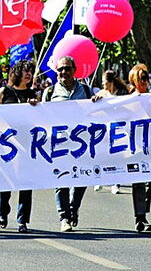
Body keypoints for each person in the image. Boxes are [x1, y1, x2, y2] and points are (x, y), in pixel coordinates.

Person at [42, 55, 95, 232]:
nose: (64, 72)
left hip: (83, 143)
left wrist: (99, 99)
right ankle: (64, 217)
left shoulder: (86, 91)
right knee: (61, 178)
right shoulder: (49, 92)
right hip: (59, 143)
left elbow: (99, 110)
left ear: (75, 70)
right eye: (60, 69)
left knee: (82, 177)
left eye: (67, 68)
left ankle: (74, 208)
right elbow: (41, 116)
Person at [0, 62, 38, 232]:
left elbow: (41, 118)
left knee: (26, 182)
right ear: (17, 72)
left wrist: (36, 107)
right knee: (7, 181)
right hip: (7, 144)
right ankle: (3, 211)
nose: (29, 74)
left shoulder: (33, 94)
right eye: (26, 71)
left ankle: (22, 220)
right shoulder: (4, 92)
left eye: (31, 72)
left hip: (27, 143)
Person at [127, 64, 151, 231]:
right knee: (138, 182)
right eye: (141, 78)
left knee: (150, 182)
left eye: (146, 78)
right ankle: (140, 217)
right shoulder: (127, 100)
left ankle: (143, 213)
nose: (144, 81)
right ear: (134, 81)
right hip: (135, 147)